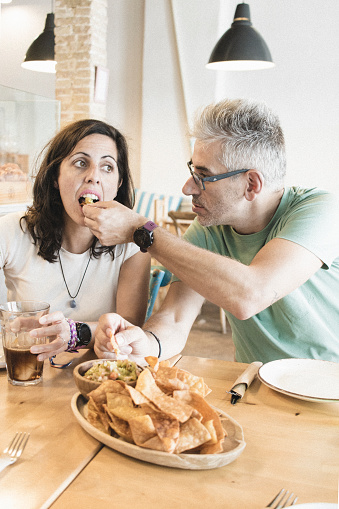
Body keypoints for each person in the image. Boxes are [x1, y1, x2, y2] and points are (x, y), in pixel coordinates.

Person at [82, 99, 339, 365]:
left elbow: (250, 294)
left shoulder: (321, 211)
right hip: (255, 386)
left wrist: (142, 230)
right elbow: (174, 319)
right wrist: (143, 344)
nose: (188, 187)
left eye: (203, 176)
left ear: (251, 184)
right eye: (192, 170)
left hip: (328, 390)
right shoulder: (210, 228)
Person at [0, 119, 150, 362]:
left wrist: (74, 333)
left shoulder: (133, 245)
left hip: (95, 375)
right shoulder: (11, 230)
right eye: (81, 163)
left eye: (108, 167)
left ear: (118, 184)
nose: (94, 176)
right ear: (55, 177)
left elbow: (128, 328)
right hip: (27, 371)